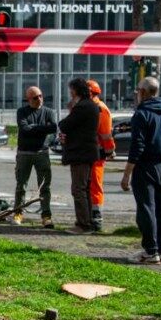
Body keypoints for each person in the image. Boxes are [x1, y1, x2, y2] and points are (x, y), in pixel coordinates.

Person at [121, 77, 161, 264]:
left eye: (138, 91)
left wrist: (127, 174)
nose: (137, 94)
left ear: (144, 92)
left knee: (146, 208)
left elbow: (137, 146)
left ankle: (150, 250)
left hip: (146, 165)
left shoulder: (142, 114)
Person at [58, 77, 101, 234]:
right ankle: (87, 221)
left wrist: (72, 109)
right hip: (88, 152)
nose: (70, 93)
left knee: (78, 189)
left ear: (75, 90)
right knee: (85, 188)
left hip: (81, 153)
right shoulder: (92, 105)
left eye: (71, 90)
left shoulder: (82, 106)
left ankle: (83, 224)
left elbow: (65, 124)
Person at [13, 86, 57, 228]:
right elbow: (24, 129)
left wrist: (34, 128)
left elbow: (53, 128)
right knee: (21, 185)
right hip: (24, 153)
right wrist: (42, 128)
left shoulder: (49, 112)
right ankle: (18, 212)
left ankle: (46, 216)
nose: (39, 99)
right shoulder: (22, 112)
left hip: (42, 153)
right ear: (28, 99)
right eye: (35, 97)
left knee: (45, 186)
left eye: (40, 96)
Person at [87, 79, 117, 227]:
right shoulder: (91, 106)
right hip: (89, 151)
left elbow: (105, 133)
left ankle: (96, 215)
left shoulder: (100, 108)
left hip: (97, 153)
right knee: (87, 184)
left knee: (95, 183)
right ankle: (89, 214)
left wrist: (109, 150)